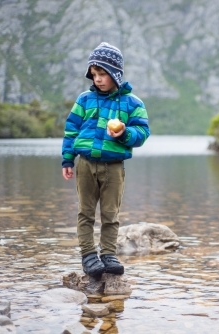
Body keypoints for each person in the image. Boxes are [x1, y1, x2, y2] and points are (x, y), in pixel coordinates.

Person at [61, 42, 150, 279]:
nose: (98, 79)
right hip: (85, 164)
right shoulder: (84, 99)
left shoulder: (133, 103)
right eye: (94, 74)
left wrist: (124, 134)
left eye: (102, 74)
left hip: (113, 167)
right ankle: (89, 255)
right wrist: (67, 160)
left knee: (111, 214)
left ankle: (109, 254)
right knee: (86, 213)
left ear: (116, 74)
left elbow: (142, 133)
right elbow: (71, 130)